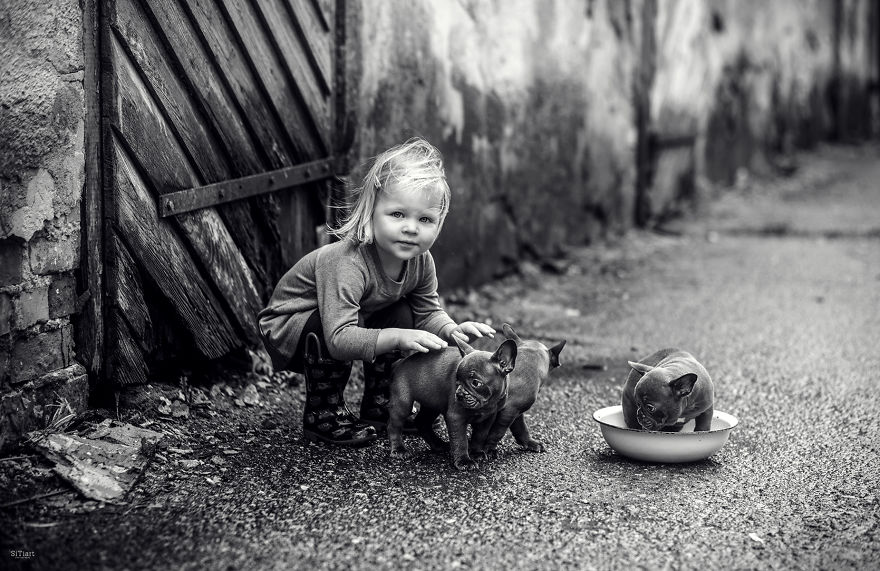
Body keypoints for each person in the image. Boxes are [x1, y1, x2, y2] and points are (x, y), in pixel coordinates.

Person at [258, 137, 495, 446]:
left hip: (350, 321)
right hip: (293, 328)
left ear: (439, 224)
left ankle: (382, 405)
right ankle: (324, 415)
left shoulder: (421, 262)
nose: (411, 227)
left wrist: (453, 331)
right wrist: (397, 337)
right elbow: (339, 338)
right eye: (397, 214)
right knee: (357, 326)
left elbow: (427, 313)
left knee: (402, 313)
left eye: (425, 219)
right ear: (371, 211)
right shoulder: (346, 261)